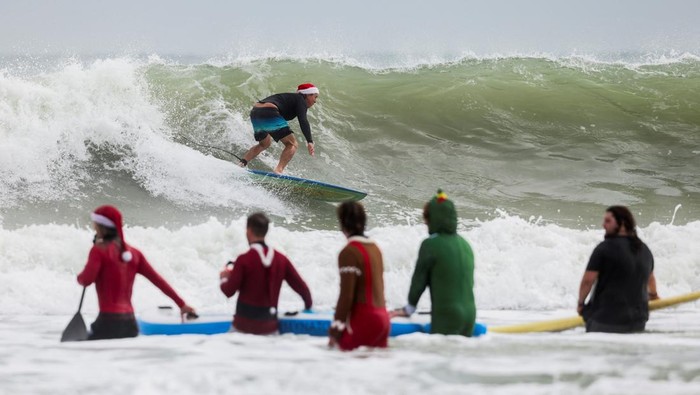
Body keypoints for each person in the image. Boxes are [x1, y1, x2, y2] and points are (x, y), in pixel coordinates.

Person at [77, 205, 196, 340]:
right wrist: (181, 304)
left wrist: (80, 276)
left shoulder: (99, 251)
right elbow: (158, 281)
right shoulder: (135, 254)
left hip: (108, 323)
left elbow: (86, 280)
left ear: (100, 226)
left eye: (95, 224)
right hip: (130, 325)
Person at [390, 189, 476, 337]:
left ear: (433, 219)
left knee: (439, 357)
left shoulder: (430, 245)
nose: (425, 222)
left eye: (426, 218)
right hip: (471, 316)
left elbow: (419, 281)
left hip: (448, 317)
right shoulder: (466, 244)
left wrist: (409, 308)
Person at [219, 212, 312, 334]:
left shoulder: (243, 259)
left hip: (242, 329)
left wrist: (224, 278)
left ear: (249, 231)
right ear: (265, 231)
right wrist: (308, 308)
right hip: (270, 329)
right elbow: (302, 288)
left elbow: (228, 291)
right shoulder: (281, 259)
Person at [577, 205, 660, 333]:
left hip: (605, 321)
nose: (603, 225)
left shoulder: (604, 248)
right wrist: (654, 296)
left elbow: (588, 281)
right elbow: (651, 280)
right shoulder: (645, 250)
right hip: (637, 323)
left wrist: (581, 304)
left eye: (608, 221)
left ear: (622, 223)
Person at [328, 201, 390, 350]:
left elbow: (346, 296)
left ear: (342, 223)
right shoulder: (375, 248)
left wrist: (336, 329)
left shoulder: (349, 252)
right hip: (383, 319)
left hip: (365, 319)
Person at [239, 83, 319, 174]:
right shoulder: (300, 99)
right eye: (315, 97)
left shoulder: (291, 98)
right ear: (308, 95)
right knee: (292, 144)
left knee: (264, 144)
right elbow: (303, 120)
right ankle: (278, 171)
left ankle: (242, 163)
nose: (315, 101)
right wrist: (310, 141)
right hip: (269, 111)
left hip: (255, 111)